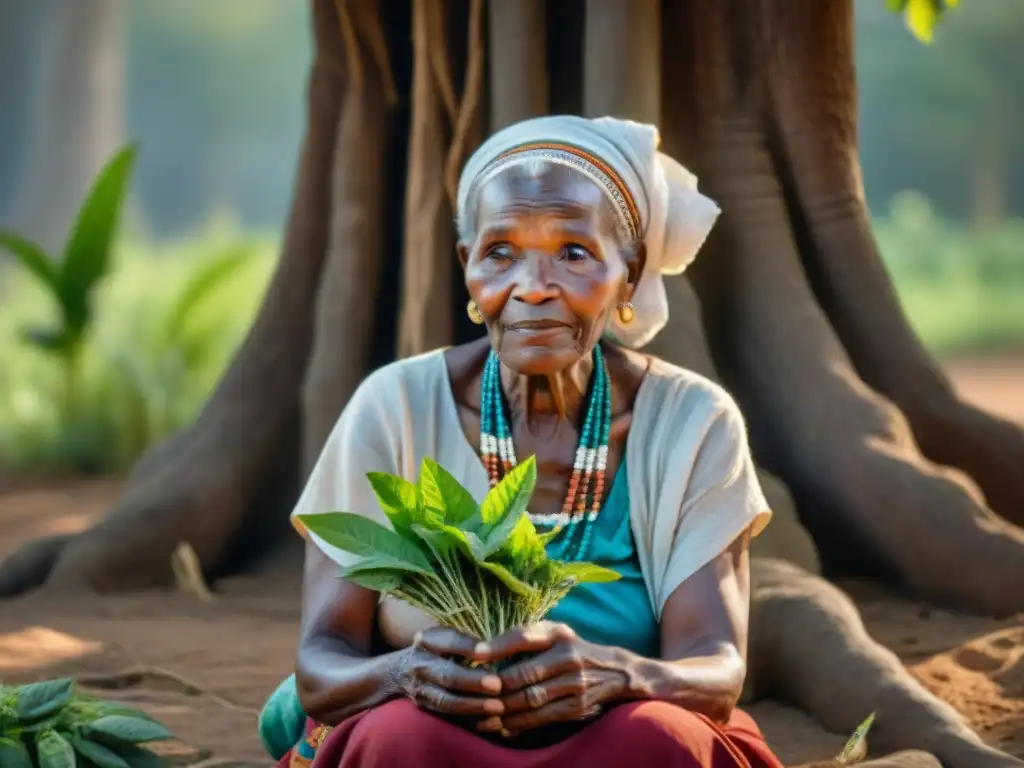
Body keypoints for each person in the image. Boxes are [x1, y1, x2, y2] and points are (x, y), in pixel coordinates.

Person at [259, 115, 784, 768]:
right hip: (438, 736)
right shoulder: (393, 406)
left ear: (630, 272)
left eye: (573, 253)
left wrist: (617, 674)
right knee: (396, 739)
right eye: (501, 252)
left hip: (611, 737)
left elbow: (716, 668)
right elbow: (320, 666)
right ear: (468, 268)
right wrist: (406, 674)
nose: (533, 286)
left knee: (659, 739)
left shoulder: (693, 421)